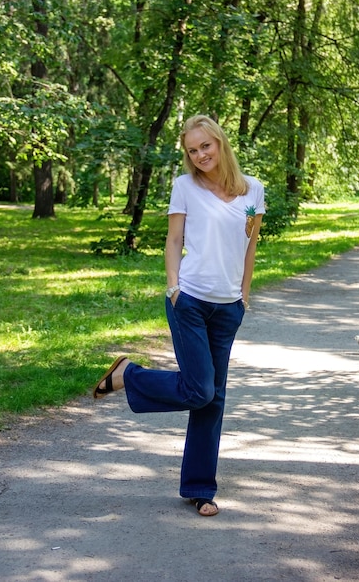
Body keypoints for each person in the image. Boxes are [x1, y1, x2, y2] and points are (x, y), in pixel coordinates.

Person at [93, 114, 265, 517]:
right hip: (188, 301)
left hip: (228, 307)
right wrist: (173, 287)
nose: (200, 154)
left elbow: (249, 247)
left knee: (213, 400)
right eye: (192, 150)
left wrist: (243, 295)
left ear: (220, 143)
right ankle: (128, 375)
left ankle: (200, 489)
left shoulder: (253, 190)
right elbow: (173, 240)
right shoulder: (184, 186)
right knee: (200, 390)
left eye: (205, 145)